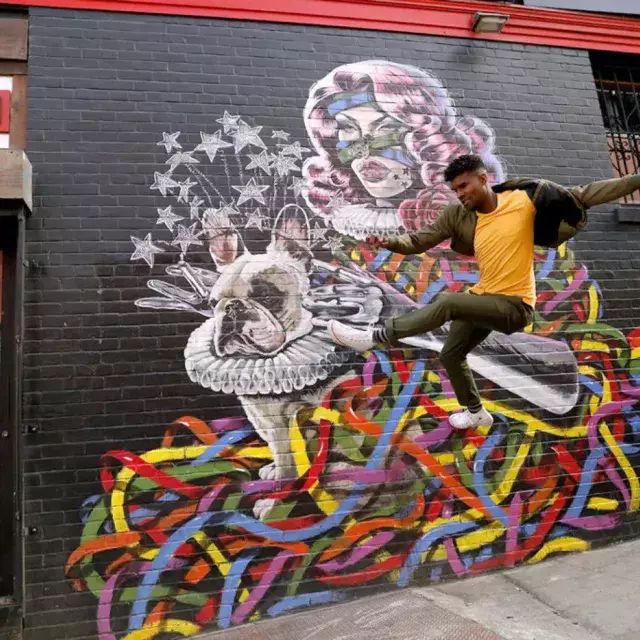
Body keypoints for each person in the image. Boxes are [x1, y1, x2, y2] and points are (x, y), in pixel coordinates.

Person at [327, 154, 640, 430]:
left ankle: (375, 337)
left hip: (515, 305)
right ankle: (476, 412)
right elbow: (418, 241)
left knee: (448, 302)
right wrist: (390, 242)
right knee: (451, 354)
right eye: (455, 190)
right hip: (484, 296)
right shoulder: (458, 215)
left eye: (464, 186)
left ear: (483, 179)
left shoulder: (523, 200)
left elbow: (587, 195)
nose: (460, 195)